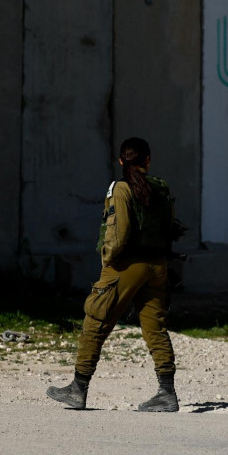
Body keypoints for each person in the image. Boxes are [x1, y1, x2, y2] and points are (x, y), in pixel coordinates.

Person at [47, 137, 184, 412]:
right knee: (155, 327)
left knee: (95, 321)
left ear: (122, 161)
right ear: (147, 160)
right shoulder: (161, 187)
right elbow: (171, 226)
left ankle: (78, 388)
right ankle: (167, 393)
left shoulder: (120, 188)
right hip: (157, 266)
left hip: (126, 265)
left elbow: (118, 232)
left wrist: (107, 259)